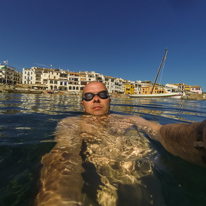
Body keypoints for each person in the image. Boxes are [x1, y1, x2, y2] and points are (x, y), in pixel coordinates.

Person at [32, 81, 206, 206]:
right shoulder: (71, 123)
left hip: (145, 188)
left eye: (102, 94)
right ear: (82, 104)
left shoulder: (132, 119)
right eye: (89, 96)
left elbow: (161, 133)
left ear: (109, 99)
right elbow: (64, 155)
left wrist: (199, 133)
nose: (96, 99)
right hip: (101, 194)